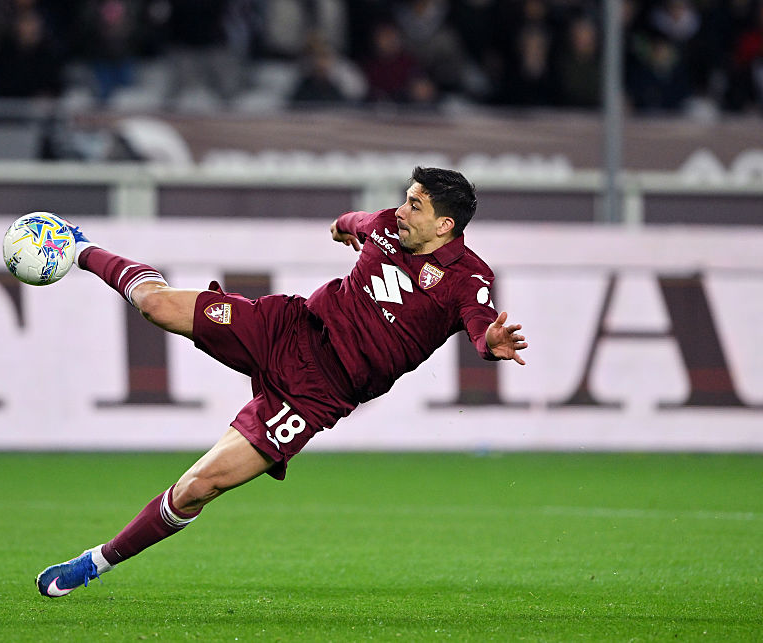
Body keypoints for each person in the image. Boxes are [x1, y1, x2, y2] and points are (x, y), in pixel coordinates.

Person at [36, 167, 529, 597]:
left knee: (198, 487)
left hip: (317, 396)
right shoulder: (384, 224)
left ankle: (97, 561)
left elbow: (478, 320)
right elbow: (352, 223)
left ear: (444, 225)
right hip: (287, 329)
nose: (401, 210)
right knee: (156, 306)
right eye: (404, 198)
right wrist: (341, 229)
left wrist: (490, 341)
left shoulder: (468, 277)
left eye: (414, 205)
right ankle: (78, 245)